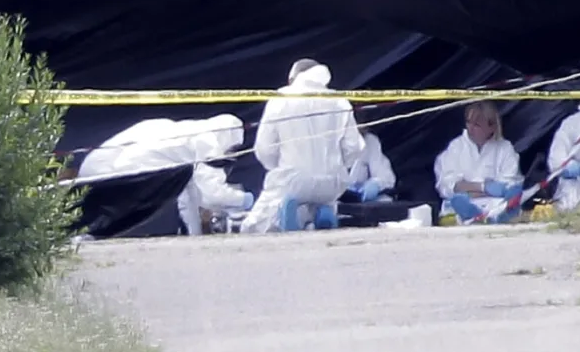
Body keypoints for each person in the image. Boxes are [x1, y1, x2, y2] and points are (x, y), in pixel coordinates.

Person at [75, 114, 253, 235]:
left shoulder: (181, 135)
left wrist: (195, 235)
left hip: (92, 170)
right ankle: (96, 234)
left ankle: (86, 234)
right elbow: (210, 195)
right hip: (124, 175)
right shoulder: (208, 142)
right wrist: (246, 200)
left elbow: (189, 195)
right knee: (165, 190)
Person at [242, 58, 364, 234]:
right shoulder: (339, 100)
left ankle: (286, 217)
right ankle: (321, 213)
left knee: (255, 226)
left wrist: (277, 168)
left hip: (292, 180)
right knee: (321, 200)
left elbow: (264, 148)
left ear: (293, 77)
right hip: (332, 183)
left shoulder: (281, 99)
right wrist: (337, 167)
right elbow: (354, 147)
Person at [433, 101, 523, 224]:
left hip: (495, 204)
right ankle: (473, 216)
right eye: (468, 123)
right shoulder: (456, 147)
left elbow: (509, 185)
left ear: (492, 126)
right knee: (458, 202)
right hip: (463, 203)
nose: (470, 128)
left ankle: (493, 217)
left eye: (476, 125)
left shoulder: (505, 148)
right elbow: (448, 185)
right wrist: (484, 187)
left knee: (511, 199)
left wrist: (469, 187)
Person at [345, 131, 396, 203]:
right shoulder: (327, 144)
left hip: (360, 206)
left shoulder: (369, 142)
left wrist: (376, 184)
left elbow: (386, 177)